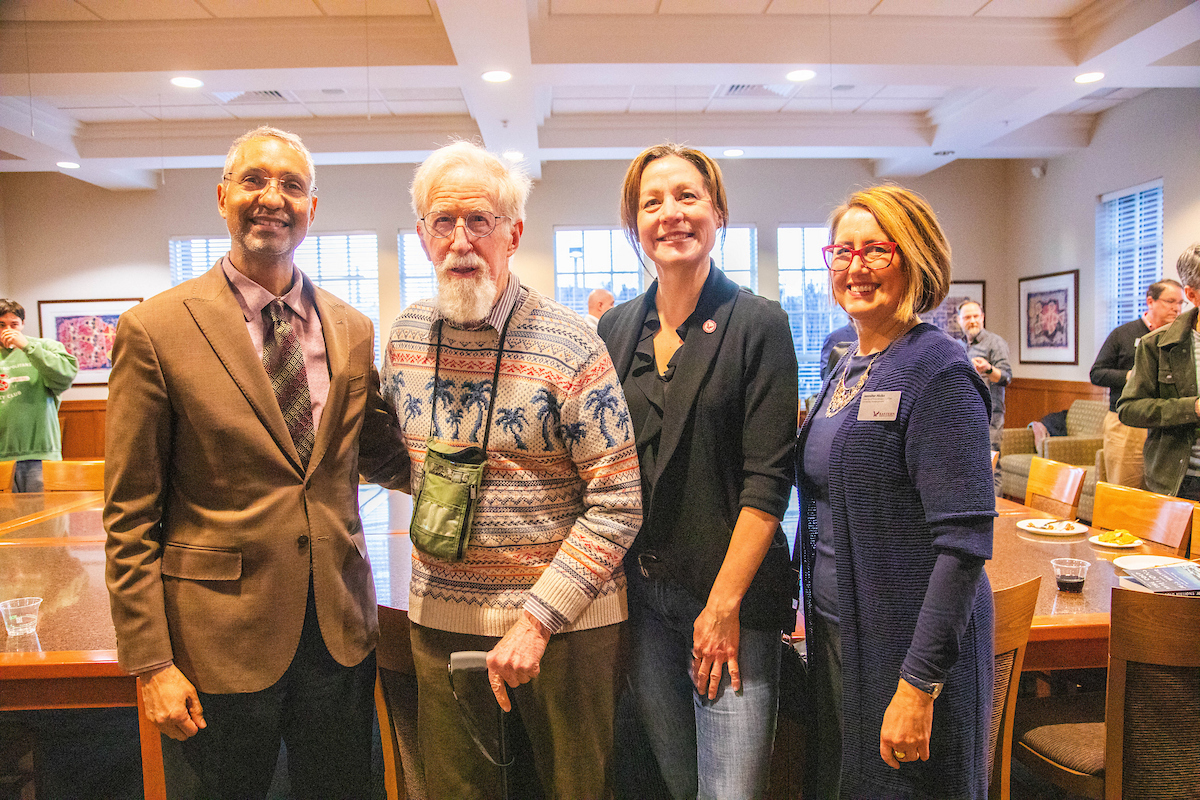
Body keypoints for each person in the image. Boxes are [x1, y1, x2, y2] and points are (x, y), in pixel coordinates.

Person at [103, 126, 409, 799]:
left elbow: (387, 454)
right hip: (215, 646)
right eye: (253, 181)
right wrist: (152, 662)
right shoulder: (156, 330)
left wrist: (501, 468)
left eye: (291, 185)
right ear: (222, 197)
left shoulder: (352, 330)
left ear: (312, 208)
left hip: (337, 636)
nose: (272, 197)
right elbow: (128, 515)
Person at [380, 141, 642, 800]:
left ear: (513, 233)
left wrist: (537, 620)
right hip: (441, 624)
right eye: (444, 222)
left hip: (564, 631)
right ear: (421, 236)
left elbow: (618, 502)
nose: (461, 240)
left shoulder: (571, 341)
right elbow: (397, 460)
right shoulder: (404, 340)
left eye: (480, 221)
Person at [599, 143, 798, 799]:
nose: (671, 214)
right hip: (647, 604)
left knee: (729, 791)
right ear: (635, 225)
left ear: (717, 213)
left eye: (687, 196)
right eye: (652, 202)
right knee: (682, 784)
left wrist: (722, 607)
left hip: (731, 604)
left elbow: (768, 484)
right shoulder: (617, 329)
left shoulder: (758, 323)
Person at [796, 185, 995, 799]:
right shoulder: (844, 367)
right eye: (842, 251)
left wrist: (919, 684)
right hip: (842, 630)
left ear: (915, 260)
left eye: (875, 251)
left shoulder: (938, 369)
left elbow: (963, 544)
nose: (855, 266)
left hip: (907, 647)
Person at [1118, 244, 1200, 499]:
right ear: (1192, 294)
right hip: (1182, 482)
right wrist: (1193, 408)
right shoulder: (1157, 345)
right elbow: (1129, 409)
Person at [1090, 279, 1183, 488]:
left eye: (1180, 303)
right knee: (1125, 488)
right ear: (1150, 301)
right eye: (1170, 301)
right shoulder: (1123, 334)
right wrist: (1130, 376)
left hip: (1164, 423)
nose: (1176, 308)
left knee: (1156, 491)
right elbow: (1097, 373)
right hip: (1127, 423)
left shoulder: (1180, 337)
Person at [0, 300, 79, 491]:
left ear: (23, 324)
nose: (7, 330)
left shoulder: (45, 347)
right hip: (2, 457)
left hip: (40, 455)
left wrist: (27, 347)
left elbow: (66, 374)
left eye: (14, 324)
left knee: (46, 519)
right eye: (1, 325)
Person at [956, 299, 1011, 453]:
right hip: (962, 415)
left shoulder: (995, 343)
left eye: (976, 316)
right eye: (967, 317)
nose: (972, 321)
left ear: (982, 317)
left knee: (991, 465)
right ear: (959, 320)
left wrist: (988, 368)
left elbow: (1006, 378)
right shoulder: (958, 345)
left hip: (988, 416)